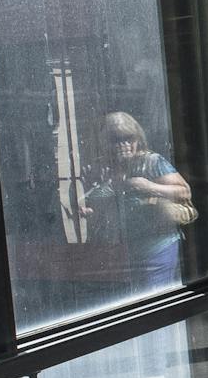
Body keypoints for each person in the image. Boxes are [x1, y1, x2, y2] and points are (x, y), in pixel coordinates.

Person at [80, 111, 194, 291]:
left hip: (158, 247)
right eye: (115, 139)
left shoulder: (152, 161)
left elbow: (184, 191)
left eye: (128, 138)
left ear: (138, 139)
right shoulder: (105, 168)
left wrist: (148, 186)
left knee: (155, 303)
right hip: (128, 251)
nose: (123, 144)